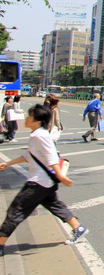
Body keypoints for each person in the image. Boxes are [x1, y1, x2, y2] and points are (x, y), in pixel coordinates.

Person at [0, 104, 88, 256]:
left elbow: (51, 157)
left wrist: (61, 176)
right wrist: (8, 163)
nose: (26, 119)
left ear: (37, 120)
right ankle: (78, 228)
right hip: (45, 183)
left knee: (16, 210)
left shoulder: (40, 136)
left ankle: (0, 244)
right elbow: (29, 156)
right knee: (55, 205)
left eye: (29, 116)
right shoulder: (37, 135)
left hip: (37, 183)